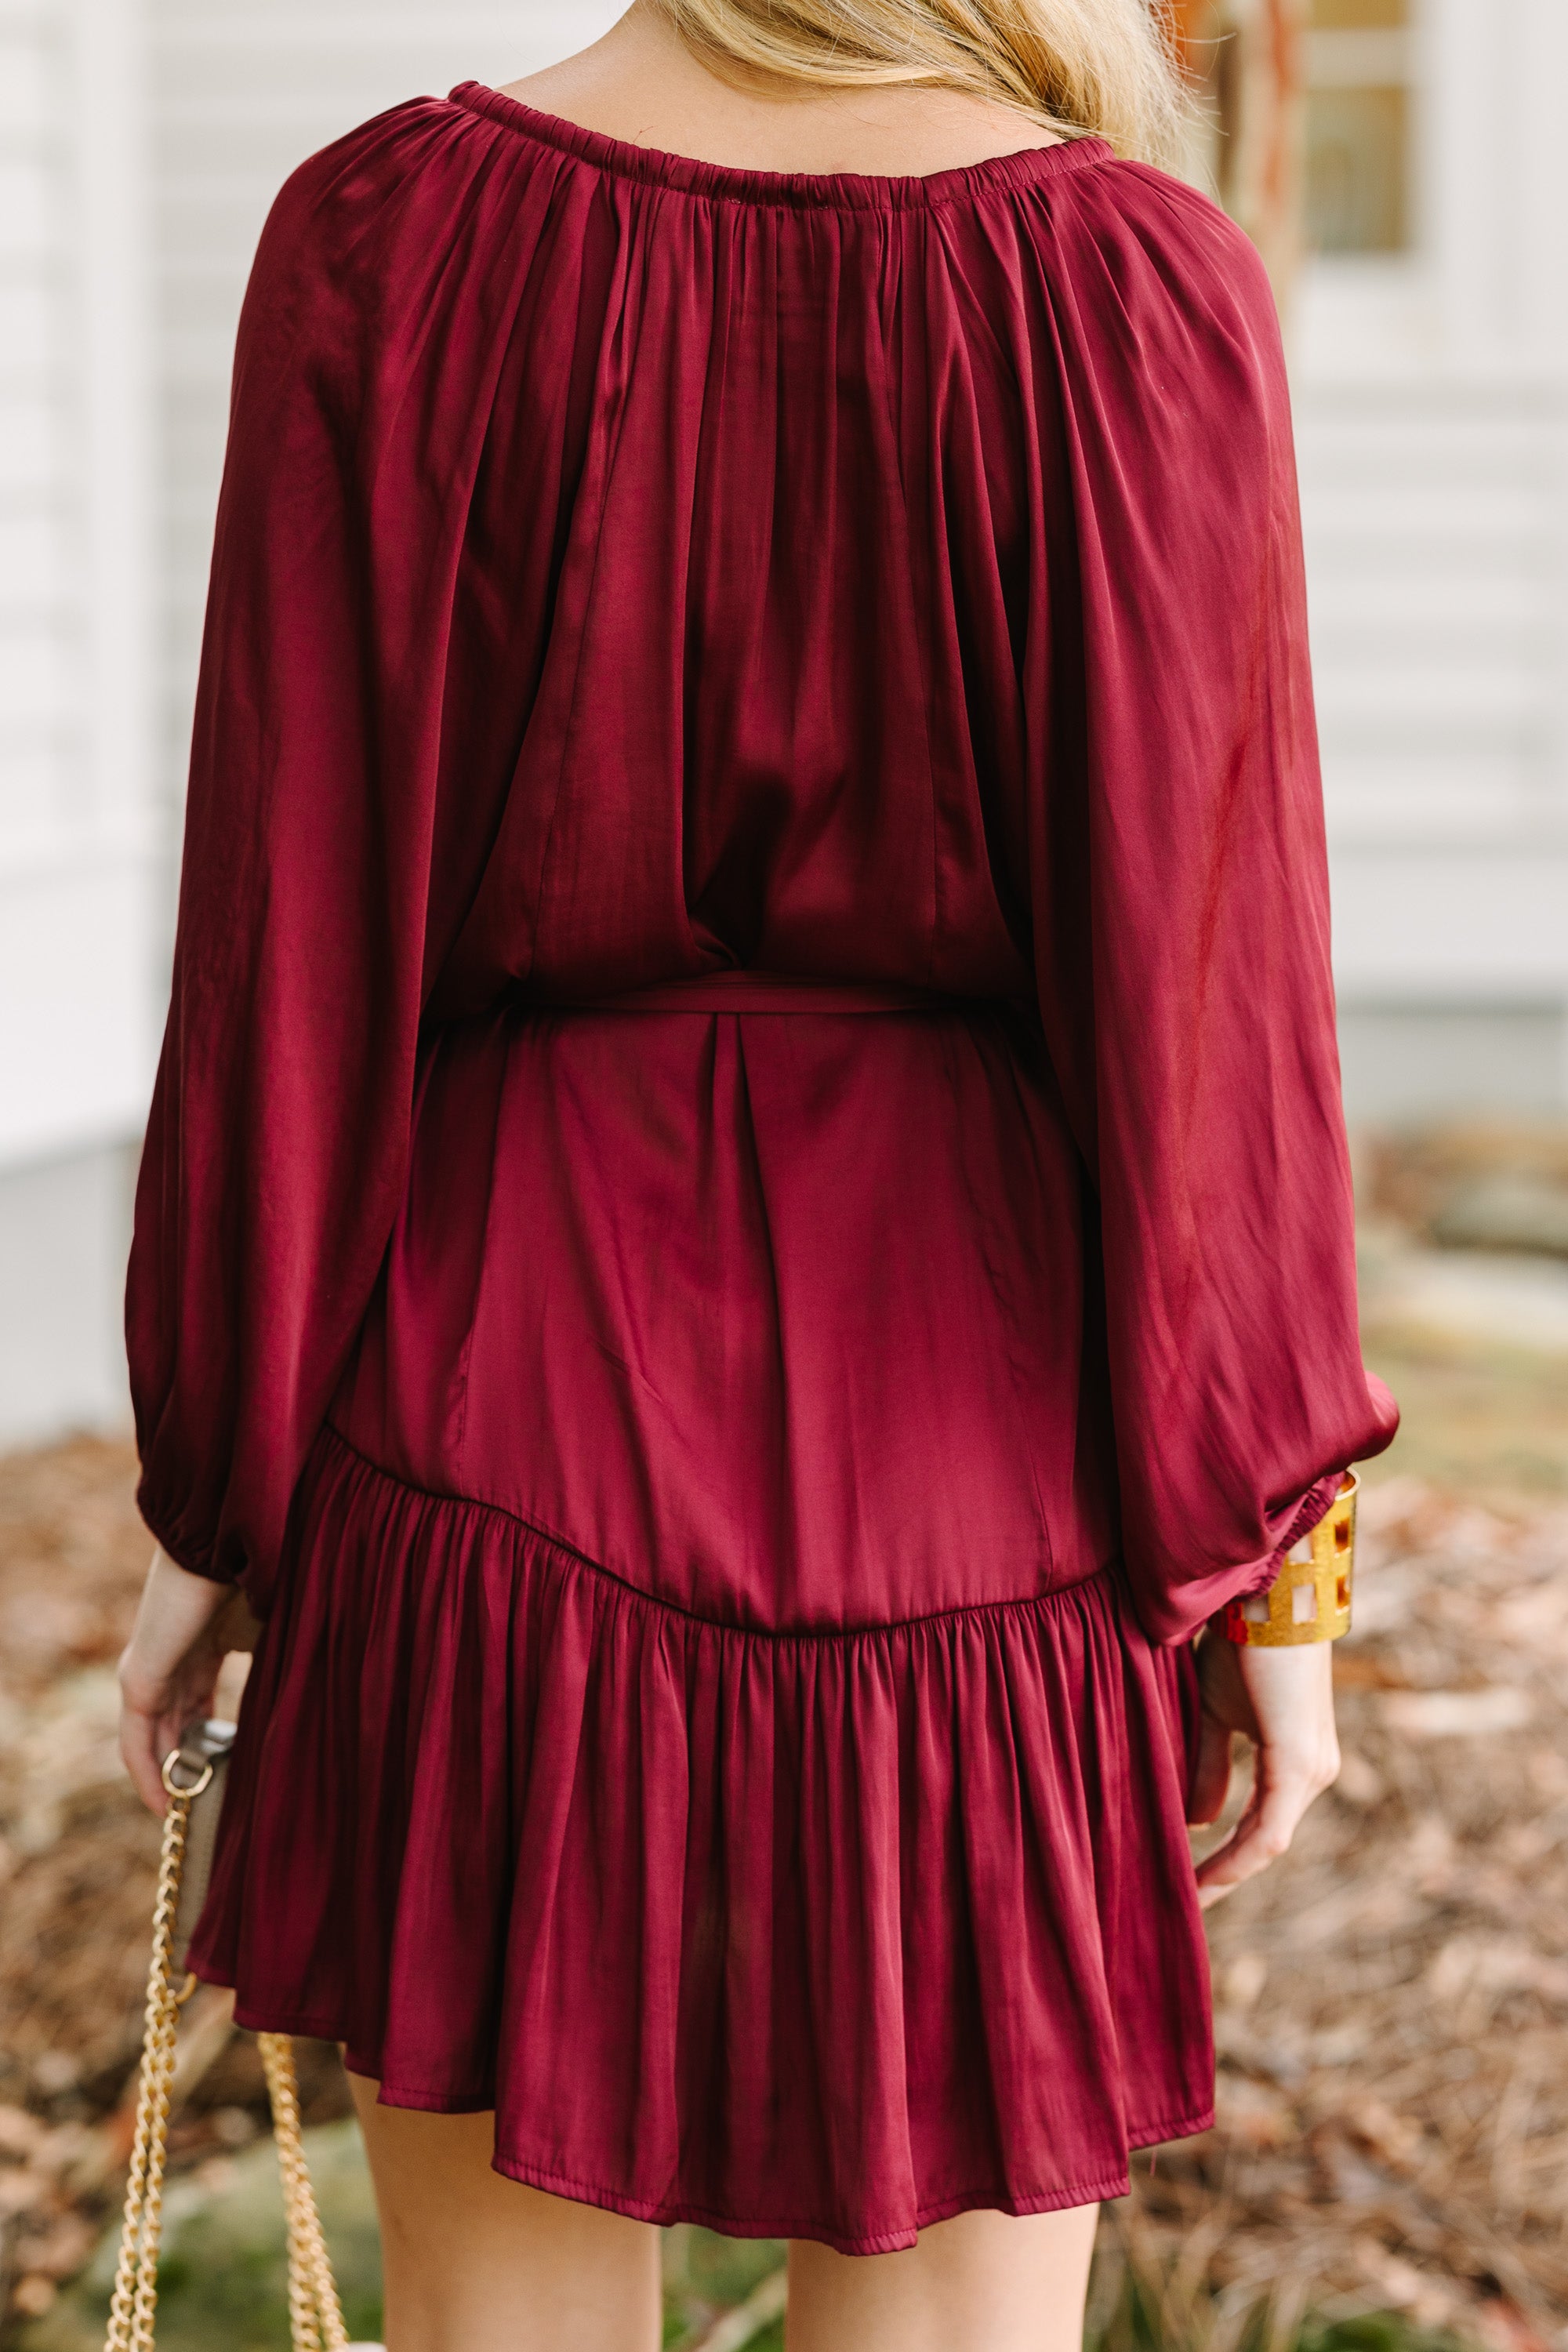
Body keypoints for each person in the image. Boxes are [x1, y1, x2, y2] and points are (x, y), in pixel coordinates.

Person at [115, 2, 1399, 2347]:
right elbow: (1216, 1001)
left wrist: (216, 1487)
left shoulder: (390, 235)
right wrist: (1274, 1573)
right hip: (978, 1474)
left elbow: (286, 932)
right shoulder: (1129, 279)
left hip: (484, 1406)